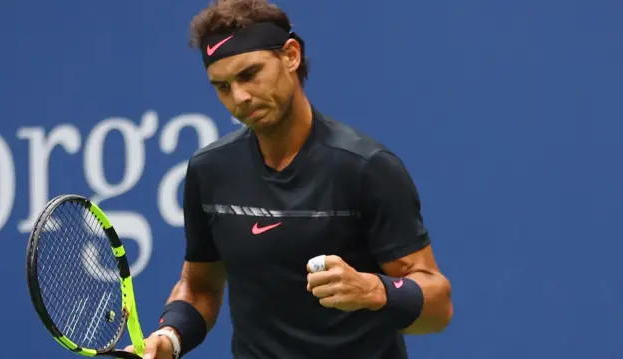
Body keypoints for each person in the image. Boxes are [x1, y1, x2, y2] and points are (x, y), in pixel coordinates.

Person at [125, 0, 453, 358]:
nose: (240, 97)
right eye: (222, 86)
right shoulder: (210, 171)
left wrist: (374, 290)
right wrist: (170, 339)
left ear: (291, 56)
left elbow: (439, 308)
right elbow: (200, 287)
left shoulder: (367, 167)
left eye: (250, 74)